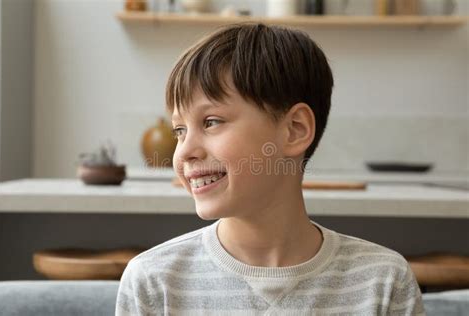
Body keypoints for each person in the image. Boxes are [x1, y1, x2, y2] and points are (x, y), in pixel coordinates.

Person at [116, 23, 425, 315]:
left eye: (211, 122)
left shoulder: (384, 282)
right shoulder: (154, 281)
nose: (184, 152)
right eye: (179, 130)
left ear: (294, 129)